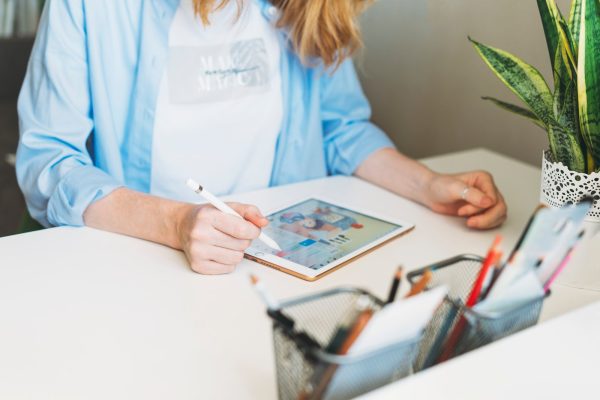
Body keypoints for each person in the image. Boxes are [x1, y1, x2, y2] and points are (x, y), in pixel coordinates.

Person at [16, 0, 507, 275]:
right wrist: (175, 224)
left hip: (272, 266)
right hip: (142, 262)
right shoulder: (90, 8)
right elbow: (49, 160)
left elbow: (340, 128)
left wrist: (428, 186)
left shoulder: (309, 6)